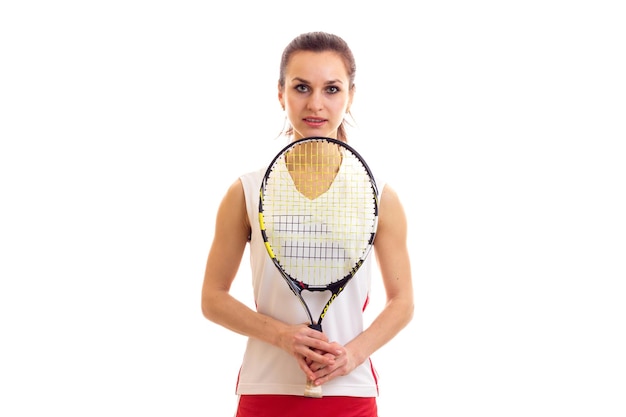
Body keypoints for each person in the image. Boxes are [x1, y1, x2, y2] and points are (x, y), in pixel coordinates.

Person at [201, 31, 414, 417]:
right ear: (281, 93)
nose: (315, 103)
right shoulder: (247, 191)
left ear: (351, 95)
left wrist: (351, 356)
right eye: (301, 87)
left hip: (350, 393)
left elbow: (402, 303)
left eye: (331, 89)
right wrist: (281, 336)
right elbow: (212, 299)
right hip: (266, 389)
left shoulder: (379, 195)